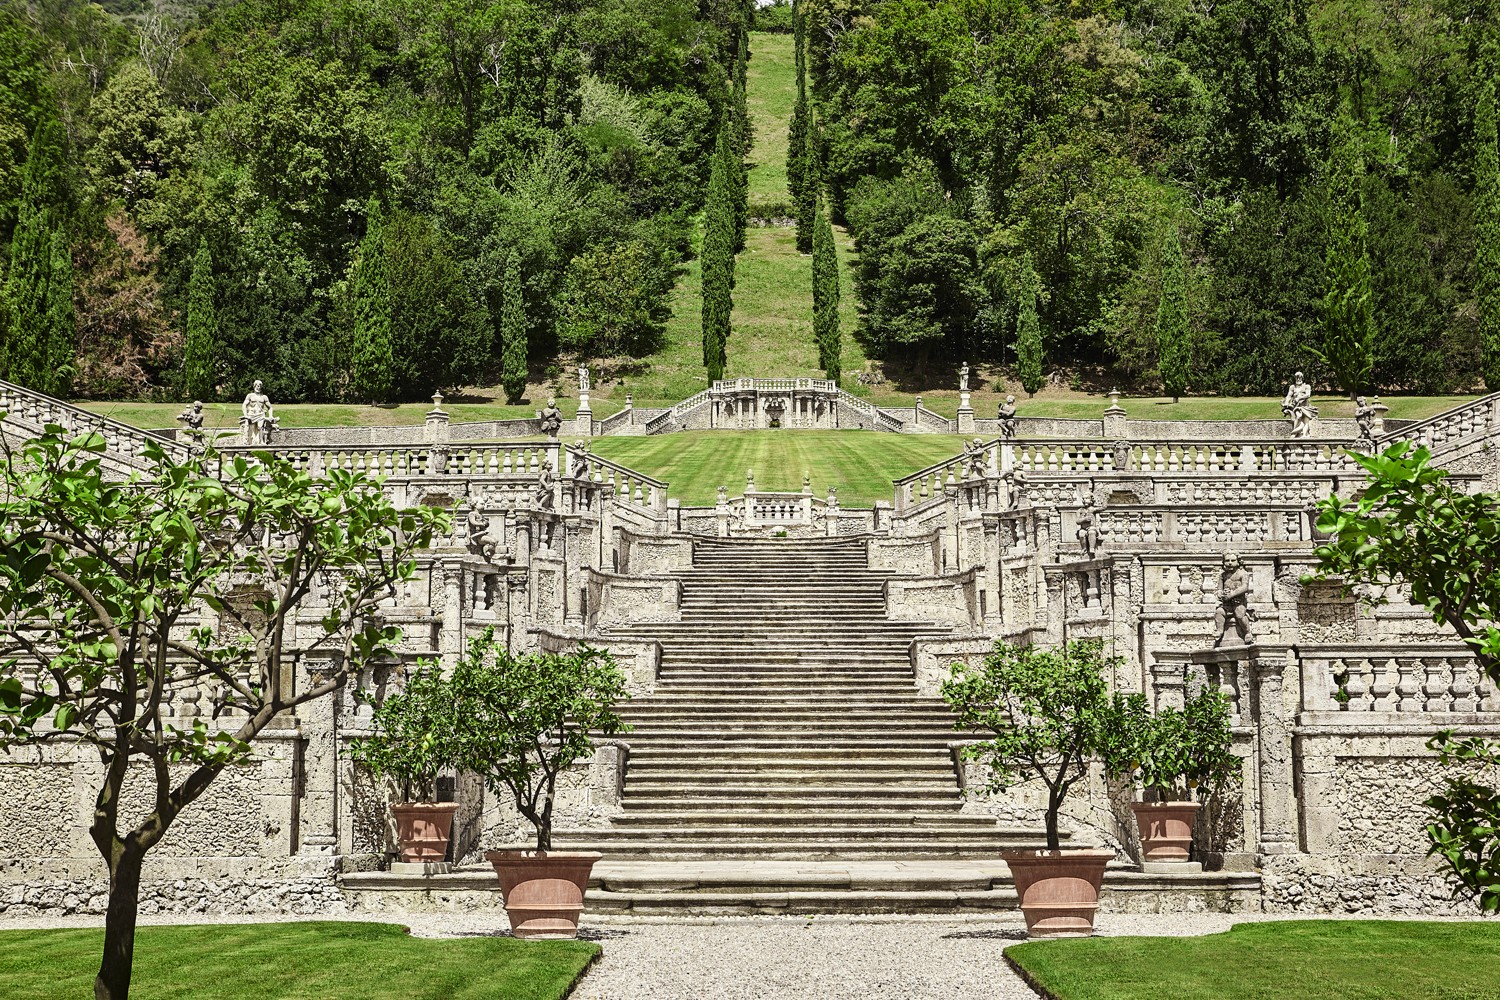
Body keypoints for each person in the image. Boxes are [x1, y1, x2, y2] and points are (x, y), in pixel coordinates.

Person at [1214, 553, 1257, 647]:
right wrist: (1220, 594)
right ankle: (1219, 631)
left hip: (1238, 602)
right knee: (1219, 612)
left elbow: (1245, 587)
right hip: (1226, 603)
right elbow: (1219, 589)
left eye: (1233, 561)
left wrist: (1231, 594)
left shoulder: (1243, 574)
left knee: (1239, 615)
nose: (1230, 563)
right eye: (1227, 560)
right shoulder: (1223, 575)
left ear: (1238, 562)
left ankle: (1247, 632)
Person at [1281, 372, 1318, 439]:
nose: (1298, 379)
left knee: (1306, 421)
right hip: (1297, 407)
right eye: (1297, 377)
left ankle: (1304, 435)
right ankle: (1294, 433)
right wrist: (1286, 402)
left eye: (1300, 377)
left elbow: (1308, 395)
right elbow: (1289, 396)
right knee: (1298, 416)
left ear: (1302, 378)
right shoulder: (1292, 387)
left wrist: (1299, 398)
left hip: (1306, 407)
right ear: (1295, 378)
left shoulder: (1307, 386)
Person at [241, 380, 277, 446]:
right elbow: (244, 405)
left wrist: (271, 416)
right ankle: (250, 441)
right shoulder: (250, 395)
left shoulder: (264, 397)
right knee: (251, 428)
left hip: (260, 414)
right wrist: (245, 415)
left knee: (260, 427)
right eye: (257, 385)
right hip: (251, 415)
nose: (258, 387)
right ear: (254, 386)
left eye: (260, 386)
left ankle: (261, 441)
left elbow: (270, 407)